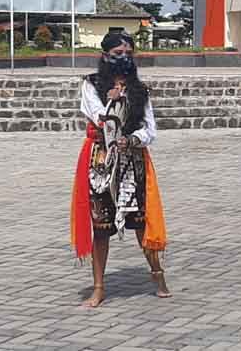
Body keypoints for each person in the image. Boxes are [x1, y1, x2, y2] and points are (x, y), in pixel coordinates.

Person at [70, 31, 170, 307]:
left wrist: (134, 140)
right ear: (105, 56)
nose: (124, 58)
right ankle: (99, 287)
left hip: (132, 160)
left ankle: (157, 274)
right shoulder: (90, 85)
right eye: (118, 54)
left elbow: (150, 129)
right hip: (101, 163)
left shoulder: (140, 90)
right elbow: (101, 118)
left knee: (139, 222)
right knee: (101, 226)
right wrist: (114, 101)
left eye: (128, 54)